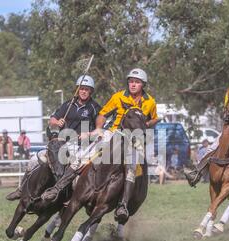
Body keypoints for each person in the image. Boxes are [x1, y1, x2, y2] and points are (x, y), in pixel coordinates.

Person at [40, 68, 159, 222]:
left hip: (134, 139)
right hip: (113, 133)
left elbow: (155, 118)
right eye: (131, 81)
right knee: (84, 156)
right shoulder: (118, 97)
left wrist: (145, 124)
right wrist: (98, 128)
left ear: (143, 84)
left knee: (133, 168)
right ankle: (57, 188)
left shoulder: (150, 101)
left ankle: (123, 205)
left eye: (137, 82)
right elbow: (103, 114)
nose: (133, 84)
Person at [6, 75, 101, 200]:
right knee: (36, 159)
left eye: (86, 89)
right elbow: (52, 120)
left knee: (73, 167)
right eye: (81, 88)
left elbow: (100, 130)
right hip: (61, 143)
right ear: (77, 90)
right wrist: (57, 122)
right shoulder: (68, 104)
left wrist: (88, 134)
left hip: (81, 146)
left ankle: (66, 196)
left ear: (91, 91)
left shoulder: (95, 108)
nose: (83, 91)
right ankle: (21, 189)